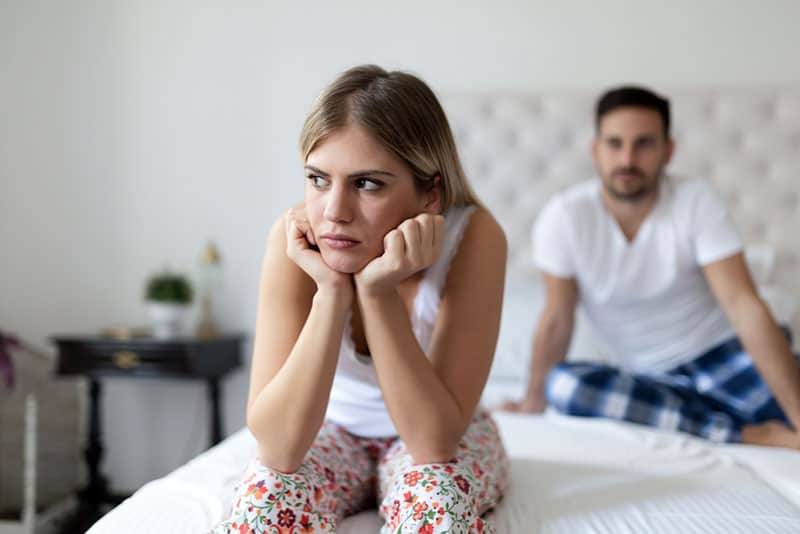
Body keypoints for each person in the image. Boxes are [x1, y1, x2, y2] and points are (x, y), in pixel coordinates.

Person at [210, 65, 508, 534]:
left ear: (430, 192)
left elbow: (434, 443)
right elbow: (278, 447)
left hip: (442, 433)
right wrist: (330, 292)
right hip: (331, 432)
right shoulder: (296, 240)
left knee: (437, 506)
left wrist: (376, 289)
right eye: (317, 179)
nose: (334, 212)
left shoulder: (475, 238)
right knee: (265, 501)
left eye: (367, 183)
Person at [501, 86, 800, 450]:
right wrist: (533, 401)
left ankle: (710, 415)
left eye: (644, 144)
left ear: (667, 151)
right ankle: (750, 433)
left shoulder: (696, 202)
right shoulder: (564, 217)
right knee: (566, 387)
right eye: (615, 144)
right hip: (647, 379)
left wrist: (798, 416)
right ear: (596, 151)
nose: (627, 158)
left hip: (722, 357)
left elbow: (744, 306)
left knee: (783, 391)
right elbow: (556, 319)